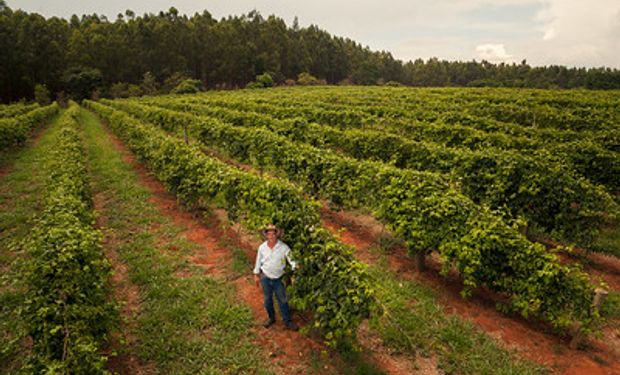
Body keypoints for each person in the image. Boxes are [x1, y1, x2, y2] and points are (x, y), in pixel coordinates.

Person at [253, 224, 299, 331]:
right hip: (265, 277)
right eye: (269, 233)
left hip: (278, 279)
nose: (271, 235)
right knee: (267, 300)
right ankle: (271, 318)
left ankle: (287, 321)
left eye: (273, 233)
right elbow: (258, 261)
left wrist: (295, 267)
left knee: (282, 300)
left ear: (276, 234)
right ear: (266, 235)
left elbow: (291, 260)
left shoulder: (283, 247)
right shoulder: (262, 247)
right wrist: (256, 274)